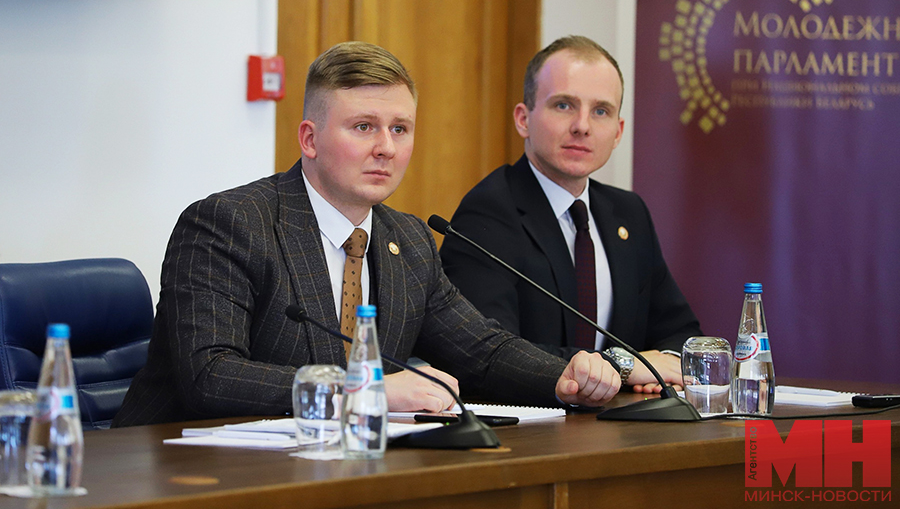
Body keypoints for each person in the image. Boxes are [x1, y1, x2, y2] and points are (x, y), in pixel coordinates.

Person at [113, 41, 620, 427]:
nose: (386, 147)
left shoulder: (409, 241)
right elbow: (212, 375)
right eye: (363, 127)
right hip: (190, 477)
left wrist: (568, 376)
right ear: (310, 139)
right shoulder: (228, 224)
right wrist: (365, 390)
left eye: (400, 129)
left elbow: (481, 352)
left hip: (335, 471)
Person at [440, 36, 702, 394]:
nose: (582, 126)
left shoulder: (629, 213)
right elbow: (489, 352)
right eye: (564, 105)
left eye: (601, 111)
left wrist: (661, 374)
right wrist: (626, 366)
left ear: (618, 132)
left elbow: (679, 334)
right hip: (529, 433)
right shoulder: (488, 213)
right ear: (523, 119)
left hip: (625, 428)